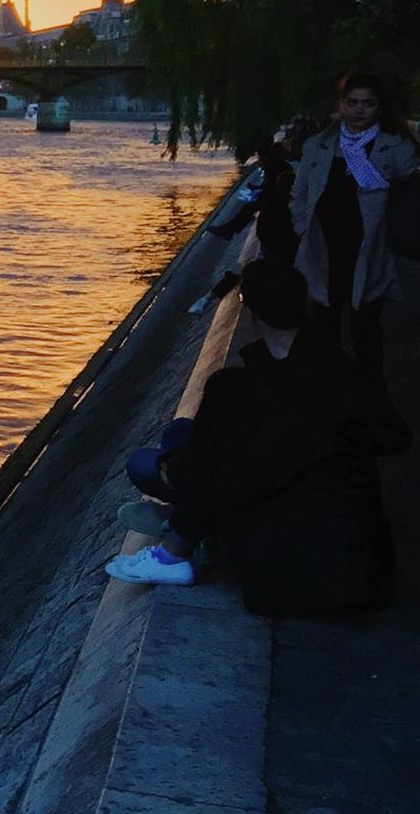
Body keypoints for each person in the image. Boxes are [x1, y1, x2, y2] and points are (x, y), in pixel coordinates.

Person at [106, 261, 411, 612]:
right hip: (362, 563)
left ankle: (174, 548)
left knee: (147, 463)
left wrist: (173, 473)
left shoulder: (241, 390)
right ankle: (182, 519)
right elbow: (394, 437)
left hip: (296, 568)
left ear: (248, 309)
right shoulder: (337, 367)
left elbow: (231, 479)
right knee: (182, 435)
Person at [291, 72, 419, 380]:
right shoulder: (319, 146)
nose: (359, 110)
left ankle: (372, 398)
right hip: (325, 248)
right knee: (324, 325)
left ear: (379, 108)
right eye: (352, 102)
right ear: (341, 105)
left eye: (367, 104)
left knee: (366, 329)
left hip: (370, 249)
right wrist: (302, 229)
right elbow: (301, 193)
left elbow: (411, 195)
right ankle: (330, 393)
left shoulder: (396, 148)